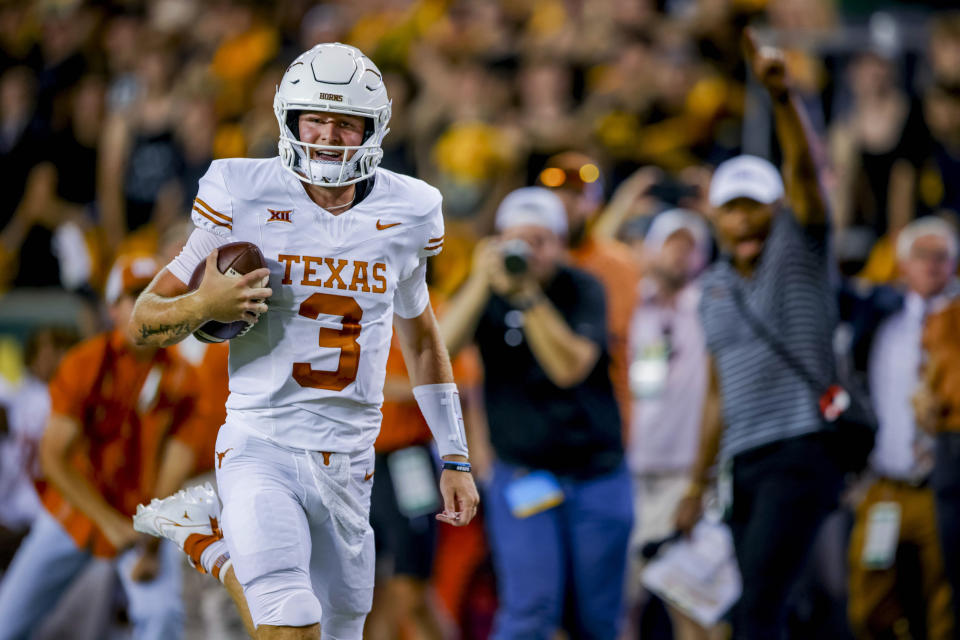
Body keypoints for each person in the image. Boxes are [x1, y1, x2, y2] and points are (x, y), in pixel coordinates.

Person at [127, 43, 479, 640]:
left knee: (335, 627)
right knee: (290, 620)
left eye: (345, 122)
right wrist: (203, 305)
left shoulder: (412, 209)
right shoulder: (240, 191)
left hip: (352, 460)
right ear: (287, 118)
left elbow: (421, 340)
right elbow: (142, 321)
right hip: (261, 444)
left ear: (374, 129)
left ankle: (220, 551)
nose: (328, 135)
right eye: (315, 117)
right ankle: (230, 552)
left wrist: (455, 455)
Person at [673, 30, 842, 639]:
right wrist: (697, 483)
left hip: (801, 446)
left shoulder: (797, 251)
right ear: (715, 216)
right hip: (744, 460)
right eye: (732, 207)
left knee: (758, 610)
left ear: (778, 211)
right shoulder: (713, 286)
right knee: (774, 603)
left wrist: (782, 101)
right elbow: (718, 391)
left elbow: (804, 174)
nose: (743, 219)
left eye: (755, 206)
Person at [442, 186, 632, 640]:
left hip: (597, 475)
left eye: (540, 241)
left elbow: (569, 368)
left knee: (597, 620)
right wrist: (478, 281)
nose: (527, 252)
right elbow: (439, 355)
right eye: (517, 240)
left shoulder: (582, 287)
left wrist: (527, 297)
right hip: (525, 475)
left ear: (561, 245)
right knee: (530, 610)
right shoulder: (487, 291)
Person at [0, 255, 212, 640]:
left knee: (162, 616)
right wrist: (109, 524)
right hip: (74, 511)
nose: (148, 304)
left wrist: (149, 540)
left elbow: (172, 472)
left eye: (159, 295)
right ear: (113, 308)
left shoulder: (185, 378)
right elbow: (53, 458)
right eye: (135, 295)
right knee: (6, 619)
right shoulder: (85, 362)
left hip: (139, 521)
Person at [844, 217, 958, 638]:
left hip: (943, 486)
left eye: (942, 257)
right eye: (921, 256)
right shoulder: (879, 318)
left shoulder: (956, 322)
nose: (931, 265)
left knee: (944, 604)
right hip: (885, 484)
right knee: (869, 604)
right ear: (902, 263)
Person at [622, 209, 719, 640]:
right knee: (619, 604)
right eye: (672, 242)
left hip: (687, 477)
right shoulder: (628, 304)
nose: (681, 253)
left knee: (691, 606)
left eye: (691, 244)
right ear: (649, 249)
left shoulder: (713, 309)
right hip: (627, 475)